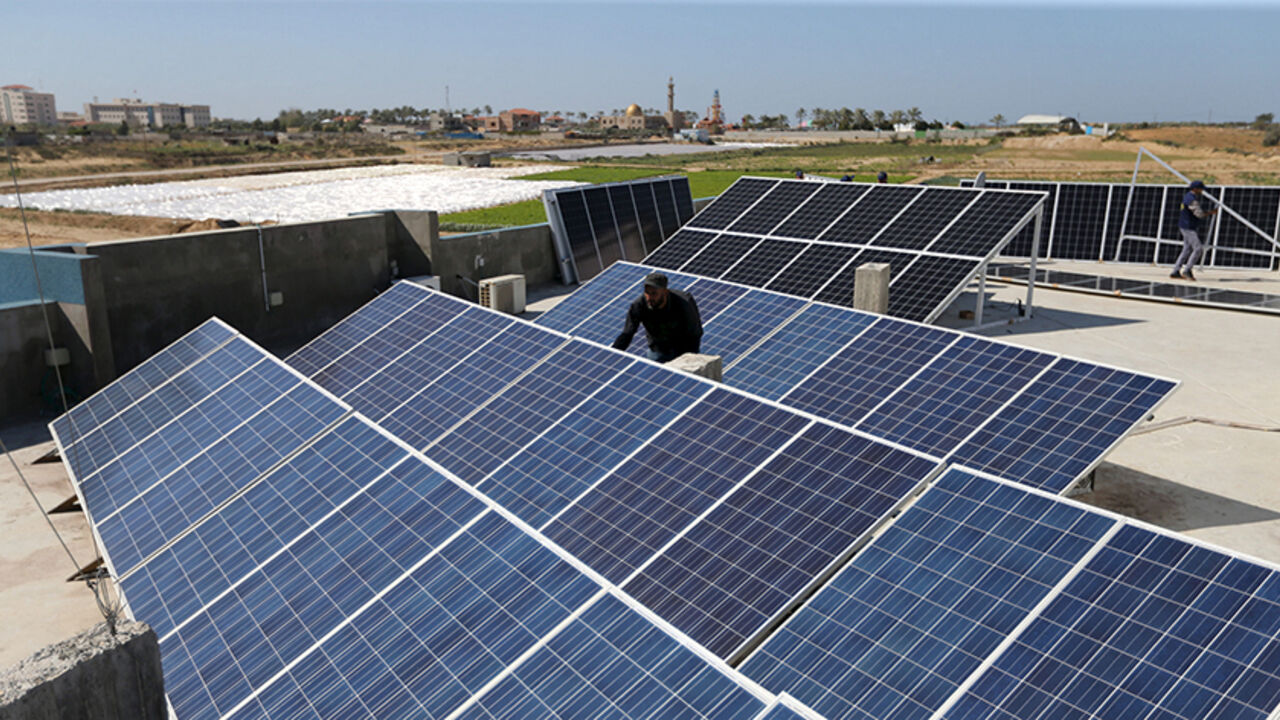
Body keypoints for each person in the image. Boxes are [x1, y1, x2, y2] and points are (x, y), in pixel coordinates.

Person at [613, 272, 703, 363]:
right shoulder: (639, 305)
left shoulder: (684, 303)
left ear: (665, 292)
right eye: (647, 292)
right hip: (658, 349)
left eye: (654, 293)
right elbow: (628, 333)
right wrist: (613, 354)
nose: (649, 297)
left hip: (682, 349)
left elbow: (694, 334)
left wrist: (688, 359)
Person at [1172, 179, 1217, 281]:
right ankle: (1187, 270)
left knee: (1187, 249)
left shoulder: (1188, 196)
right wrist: (1211, 212)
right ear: (1196, 189)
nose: (1202, 191)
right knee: (1198, 249)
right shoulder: (1191, 200)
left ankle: (1175, 271)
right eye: (1201, 189)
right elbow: (1199, 214)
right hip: (1188, 227)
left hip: (1185, 226)